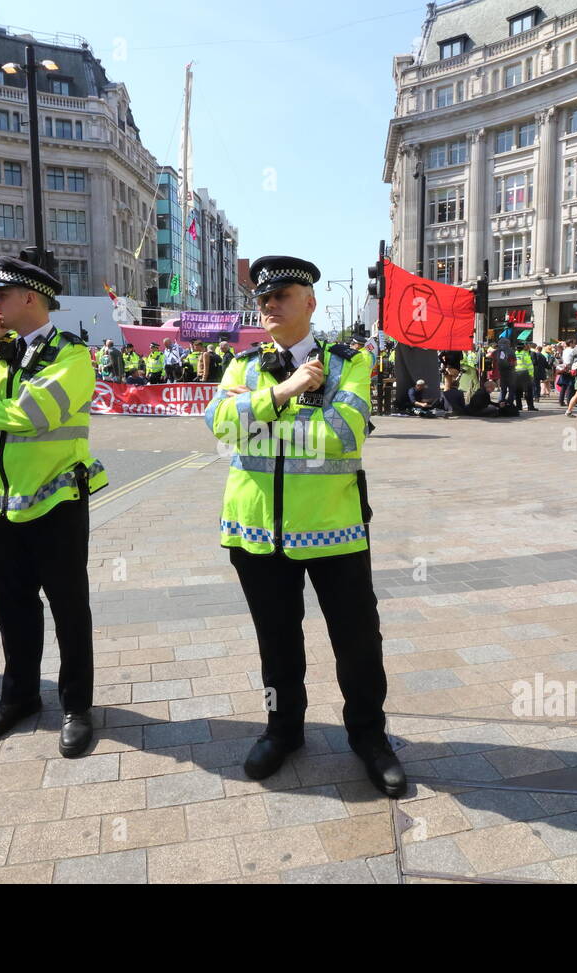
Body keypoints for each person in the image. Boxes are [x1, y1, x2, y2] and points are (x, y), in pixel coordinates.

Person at [204, 254, 405, 798]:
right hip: (255, 531)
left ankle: (369, 738)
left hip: (332, 529)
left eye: (282, 295)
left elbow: (344, 433)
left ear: (310, 303)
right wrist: (286, 392)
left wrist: (259, 422)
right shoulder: (243, 365)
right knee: (276, 642)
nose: (269, 304)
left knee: (357, 641)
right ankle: (283, 729)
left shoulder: (348, 362)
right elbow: (218, 425)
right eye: (263, 297)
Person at [0, 256, 108, 752]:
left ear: (30, 299)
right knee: (12, 610)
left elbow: (34, 414)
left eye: (1, 296)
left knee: (68, 609)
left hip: (54, 504)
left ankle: (77, 706)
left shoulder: (72, 356)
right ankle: (20, 698)